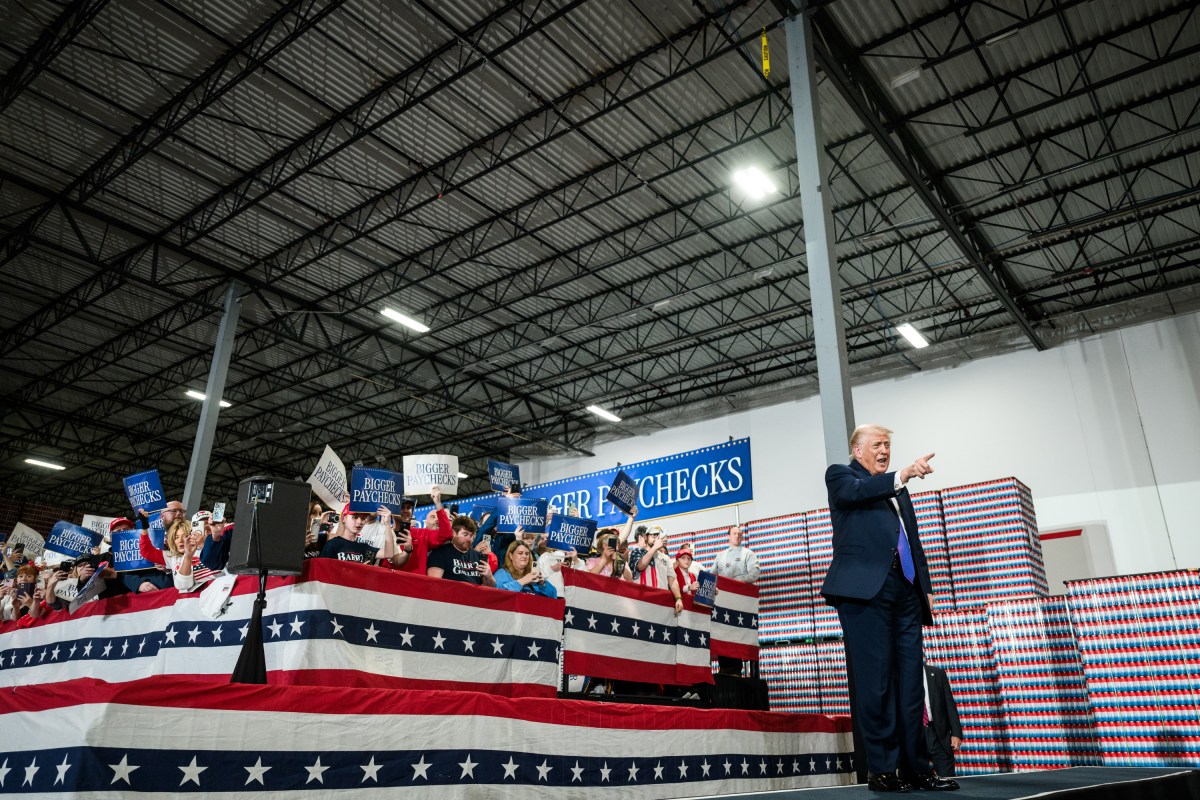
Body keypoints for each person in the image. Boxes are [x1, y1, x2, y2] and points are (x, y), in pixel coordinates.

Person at [821, 424, 957, 792]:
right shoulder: (842, 475)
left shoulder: (898, 490)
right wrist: (904, 473)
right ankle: (882, 769)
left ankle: (916, 767)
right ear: (857, 449)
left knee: (911, 684)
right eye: (877, 444)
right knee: (876, 682)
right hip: (865, 593)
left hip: (906, 593)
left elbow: (913, 543)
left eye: (888, 445)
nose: (884, 450)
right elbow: (857, 492)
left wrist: (925, 589)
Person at [427, 516, 495, 586]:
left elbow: (488, 588)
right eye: (465, 534)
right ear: (454, 533)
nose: (469, 539)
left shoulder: (480, 557)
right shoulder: (440, 553)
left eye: (472, 535)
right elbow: (433, 585)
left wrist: (489, 576)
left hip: (473, 596)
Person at [924, 661, 963, 778]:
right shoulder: (899, 677)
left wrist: (956, 733)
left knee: (947, 779)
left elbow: (949, 704)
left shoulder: (937, 673)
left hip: (939, 735)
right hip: (913, 735)